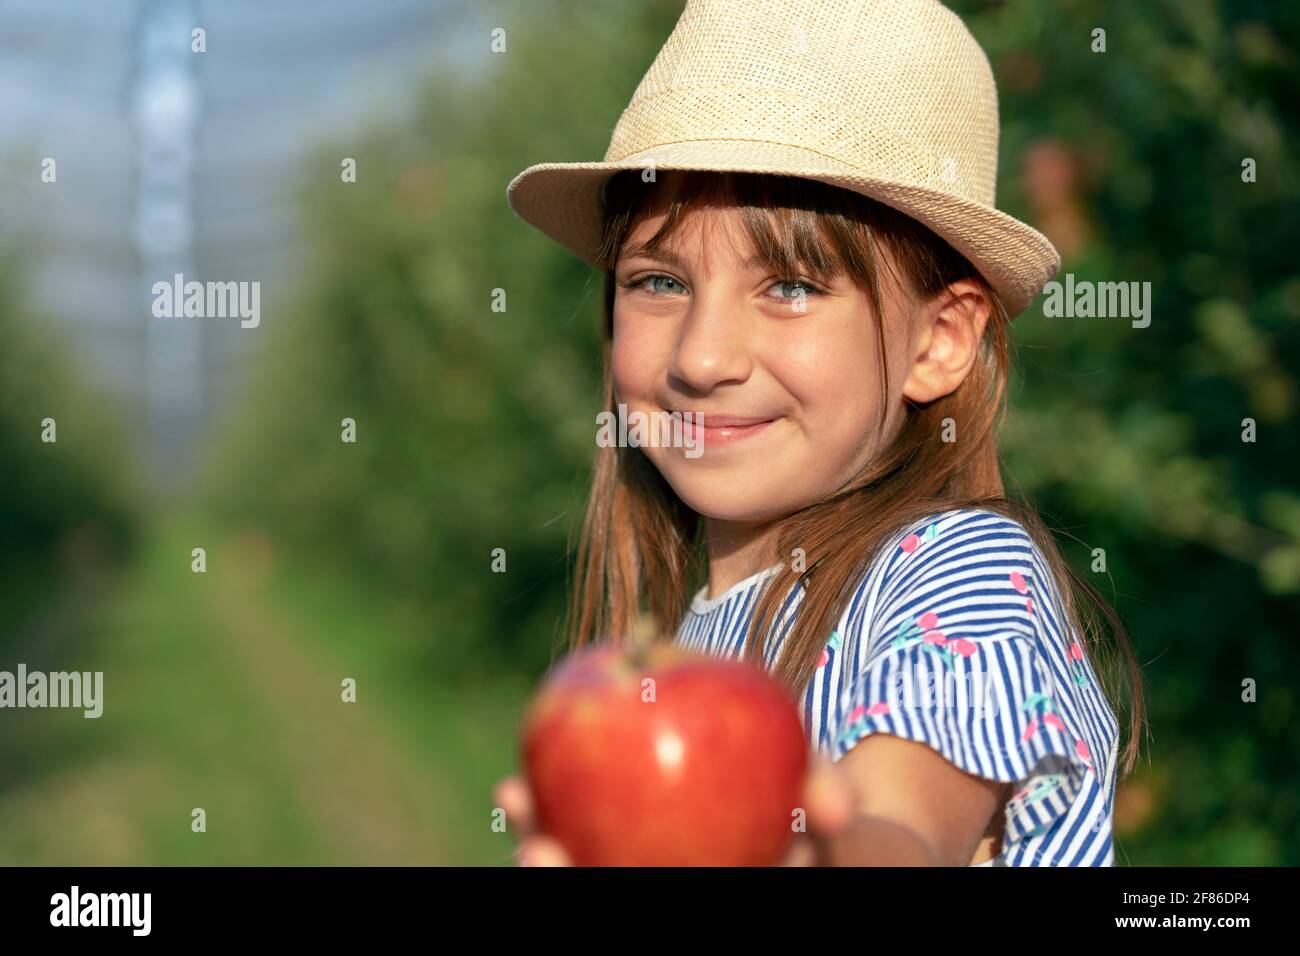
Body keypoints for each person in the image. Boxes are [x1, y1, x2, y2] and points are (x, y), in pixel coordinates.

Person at [496, 0, 1145, 866]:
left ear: (940, 341)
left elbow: (899, 831)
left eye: (792, 286)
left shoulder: (955, 575)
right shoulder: (688, 653)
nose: (704, 356)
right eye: (658, 281)